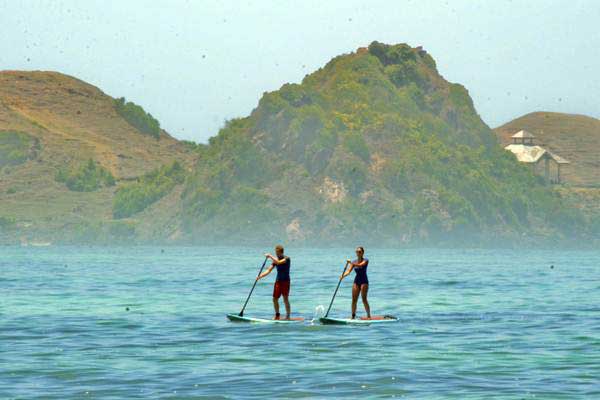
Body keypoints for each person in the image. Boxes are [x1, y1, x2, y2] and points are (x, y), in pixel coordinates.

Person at [256, 245, 291, 320]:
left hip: (286, 281)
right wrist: (260, 276)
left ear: (281, 252)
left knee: (285, 299)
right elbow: (268, 270)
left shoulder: (287, 259)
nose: (276, 255)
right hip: (278, 281)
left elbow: (278, 262)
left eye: (277, 253)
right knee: (275, 299)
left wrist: (269, 256)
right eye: (276, 253)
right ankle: (277, 315)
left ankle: (288, 316)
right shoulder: (276, 260)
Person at [341, 246, 371, 319]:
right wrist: (342, 276)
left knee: (364, 299)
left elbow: (361, 265)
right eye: (357, 252)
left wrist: (351, 263)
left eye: (360, 252)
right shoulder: (354, 261)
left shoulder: (366, 260)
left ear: (363, 253)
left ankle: (368, 315)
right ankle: (353, 316)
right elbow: (348, 271)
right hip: (356, 281)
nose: (358, 253)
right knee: (354, 300)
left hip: (364, 281)